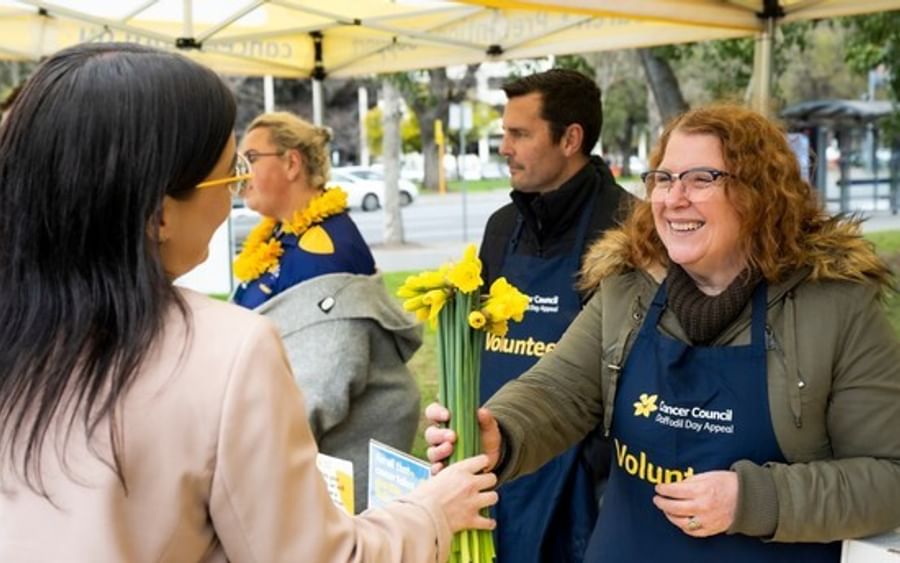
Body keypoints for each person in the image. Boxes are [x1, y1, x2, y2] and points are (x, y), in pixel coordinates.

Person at [0, 43, 497, 562]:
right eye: (229, 171)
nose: (236, 190)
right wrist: (431, 513)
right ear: (160, 214)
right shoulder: (225, 352)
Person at [428, 103, 900, 562]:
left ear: (759, 194)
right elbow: (556, 391)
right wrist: (501, 434)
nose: (674, 198)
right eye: (664, 179)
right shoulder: (628, 287)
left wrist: (754, 498)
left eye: (701, 179)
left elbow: (889, 477)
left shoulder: (836, 307)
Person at [472, 68, 632, 562]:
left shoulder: (629, 229)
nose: (504, 147)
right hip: (500, 460)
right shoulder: (502, 228)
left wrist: (591, 466)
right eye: (504, 133)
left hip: (582, 487)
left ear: (572, 139)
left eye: (519, 134)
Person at [232, 111, 421, 512]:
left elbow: (318, 386)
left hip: (329, 487)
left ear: (291, 163)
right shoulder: (285, 235)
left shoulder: (325, 251)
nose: (239, 174)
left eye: (249, 159)